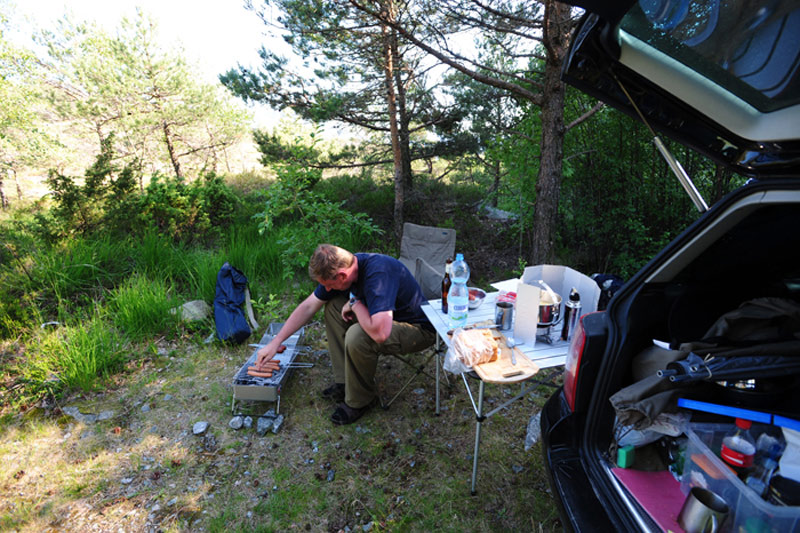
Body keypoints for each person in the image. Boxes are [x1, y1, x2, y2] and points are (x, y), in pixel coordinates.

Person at [255, 244, 436, 425]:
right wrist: (275, 342)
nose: (325, 289)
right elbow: (309, 306)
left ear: (342, 276)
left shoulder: (378, 274)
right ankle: (345, 383)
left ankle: (360, 401)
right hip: (384, 320)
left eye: (327, 285)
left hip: (417, 329)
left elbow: (380, 333)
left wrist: (355, 303)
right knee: (333, 306)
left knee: (358, 335)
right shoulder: (344, 267)